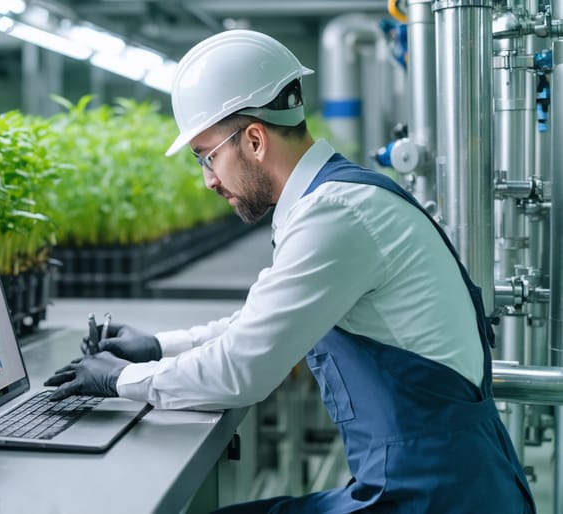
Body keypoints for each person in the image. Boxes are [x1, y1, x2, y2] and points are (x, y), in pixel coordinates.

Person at [45, 30, 536, 513]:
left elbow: (242, 370)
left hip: (434, 497)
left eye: (207, 156)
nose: (209, 180)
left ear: (255, 139)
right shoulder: (331, 200)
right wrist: (158, 346)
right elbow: (258, 327)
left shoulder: (337, 214)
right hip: (432, 483)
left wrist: (123, 379)